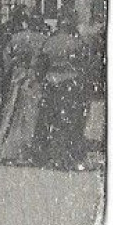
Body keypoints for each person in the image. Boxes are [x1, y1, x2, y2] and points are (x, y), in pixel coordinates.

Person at [33, 10, 95, 171]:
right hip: (71, 84)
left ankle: (49, 156)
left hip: (51, 83)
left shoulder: (49, 42)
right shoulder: (78, 43)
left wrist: (41, 80)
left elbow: (40, 64)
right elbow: (86, 65)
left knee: (49, 120)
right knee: (71, 121)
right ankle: (69, 157)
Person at [0, 11, 48, 166]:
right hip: (34, 78)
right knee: (31, 115)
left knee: (12, 113)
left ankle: (6, 151)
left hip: (17, 76)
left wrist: (11, 69)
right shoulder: (43, 40)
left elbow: (6, 58)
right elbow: (45, 61)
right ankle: (25, 153)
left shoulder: (16, 38)